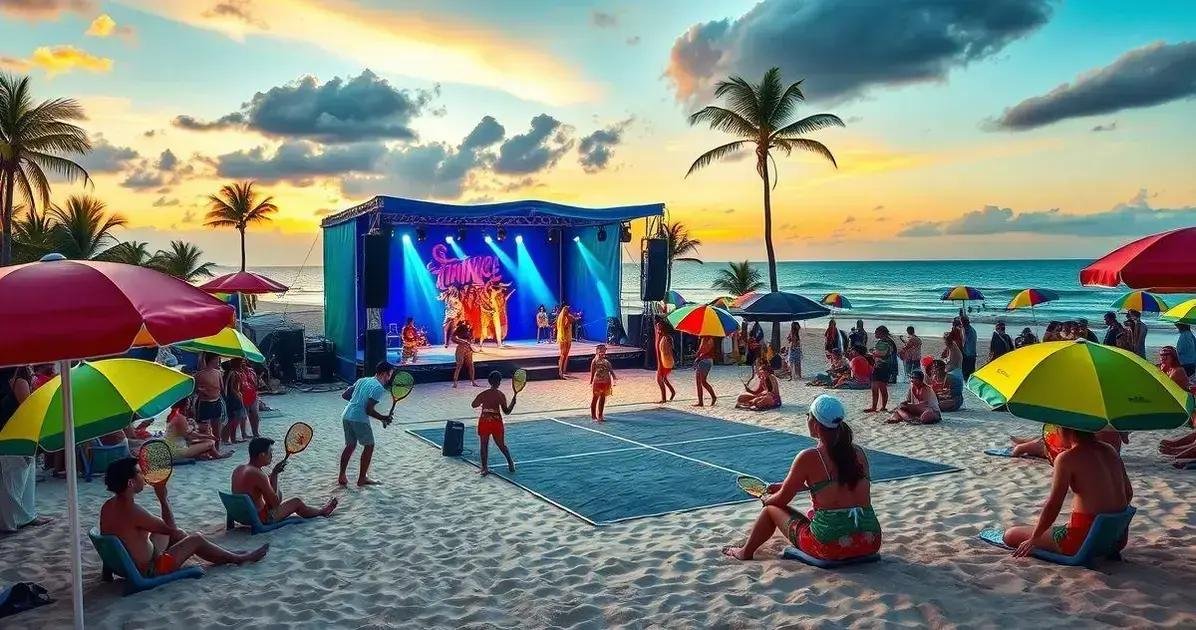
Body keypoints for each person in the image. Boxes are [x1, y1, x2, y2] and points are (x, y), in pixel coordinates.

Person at [722, 395, 881, 561]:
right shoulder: (858, 453)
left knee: (770, 511)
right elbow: (837, 485)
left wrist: (766, 498)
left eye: (808, 416)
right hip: (871, 541)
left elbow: (781, 500)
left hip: (830, 546)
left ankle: (745, 552)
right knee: (814, 513)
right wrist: (788, 486)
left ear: (815, 424)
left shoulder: (809, 457)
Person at [99, 458, 268, 576]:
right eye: (139, 473)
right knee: (195, 539)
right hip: (152, 569)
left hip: (125, 566)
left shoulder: (108, 505)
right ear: (130, 483)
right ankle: (238, 559)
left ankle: (222, 554)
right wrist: (163, 499)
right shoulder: (133, 510)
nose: (143, 476)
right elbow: (170, 529)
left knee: (180, 535)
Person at [1000, 427, 1131, 558]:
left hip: (1083, 542)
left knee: (1011, 534)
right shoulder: (1110, 450)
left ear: (1065, 430)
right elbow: (1128, 493)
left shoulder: (1067, 458)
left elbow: (1053, 505)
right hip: (1116, 539)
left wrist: (1034, 538)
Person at [231, 437, 337, 524]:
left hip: (240, 516)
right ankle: (322, 512)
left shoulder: (239, 469)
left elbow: (254, 490)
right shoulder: (259, 474)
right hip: (257, 518)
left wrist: (272, 475)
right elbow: (275, 504)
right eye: (270, 452)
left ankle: (320, 511)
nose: (272, 456)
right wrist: (275, 475)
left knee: (276, 490)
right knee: (296, 502)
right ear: (262, 455)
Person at [1, 367, 51, 535]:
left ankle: (26, 517)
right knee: (15, 480)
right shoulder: (21, 381)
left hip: (16, 432)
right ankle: (13, 521)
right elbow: (29, 408)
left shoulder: (17, 379)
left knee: (23, 478)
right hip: (15, 433)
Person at [337, 361, 395, 487]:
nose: (389, 378)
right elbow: (368, 410)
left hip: (346, 415)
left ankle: (342, 475)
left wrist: (357, 402)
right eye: (390, 375)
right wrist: (383, 418)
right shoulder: (379, 388)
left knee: (350, 446)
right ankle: (362, 478)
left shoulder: (362, 380)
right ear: (385, 374)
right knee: (369, 446)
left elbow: (345, 395)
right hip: (359, 418)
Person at [471, 370, 518, 476]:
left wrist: (482, 403)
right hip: (496, 421)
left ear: (489, 381)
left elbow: (473, 404)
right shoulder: (501, 395)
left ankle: (484, 468)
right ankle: (510, 463)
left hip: (484, 420)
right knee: (501, 445)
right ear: (499, 382)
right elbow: (507, 411)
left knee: (483, 445)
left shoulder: (484, 394)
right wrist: (513, 403)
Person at [194, 354, 224, 448]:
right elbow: (196, 390)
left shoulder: (217, 373)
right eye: (217, 360)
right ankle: (207, 449)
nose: (218, 362)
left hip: (214, 401)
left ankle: (216, 448)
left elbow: (221, 387)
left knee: (215, 427)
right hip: (206, 402)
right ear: (212, 360)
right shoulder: (199, 374)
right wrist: (204, 390)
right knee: (205, 428)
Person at [866, 327, 897, 412]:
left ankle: (879, 407)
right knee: (876, 386)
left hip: (883, 366)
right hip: (883, 366)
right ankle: (878, 406)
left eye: (876, 332)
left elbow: (884, 355)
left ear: (881, 333)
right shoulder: (889, 342)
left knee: (880, 386)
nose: (875, 334)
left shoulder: (885, 342)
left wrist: (873, 354)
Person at [223, 358, 249, 443]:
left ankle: (231, 438)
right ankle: (229, 438)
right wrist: (239, 397)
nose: (243, 364)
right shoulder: (233, 373)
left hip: (234, 397)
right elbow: (232, 388)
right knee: (234, 419)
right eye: (241, 362)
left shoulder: (236, 372)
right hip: (234, 398)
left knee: (234, 419)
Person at [589, 344, 617, 421]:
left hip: (606, 382)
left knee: (603, 398)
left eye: (604, 351)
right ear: (597, 351)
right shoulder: (594, 361)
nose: (602, 352)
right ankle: (593, 416)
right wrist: (591, 381)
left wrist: (614, 379)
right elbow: (592, 372)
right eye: (601, 351)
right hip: (597, 382)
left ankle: (600, 415)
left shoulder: (606, 362)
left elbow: (611, 371)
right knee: (595, 398)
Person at [655, 319, 676, 403]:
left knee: (659, 379)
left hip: (666, 361)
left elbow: (668, 351)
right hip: (666, 360)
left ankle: (664, 398)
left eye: (659, 328)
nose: (658, 330)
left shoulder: (667, 338)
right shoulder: (664, 337)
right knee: (664, 379)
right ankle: (672, 392)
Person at [693, 335, 718, 406]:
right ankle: (711, 397)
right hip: (706, 361)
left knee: (700, 382)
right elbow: (702, 350)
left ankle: (703, 401)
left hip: (704, 361)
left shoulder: (706, 339)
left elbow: (704, 351)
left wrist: (697, 356)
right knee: (702, 382)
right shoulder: (708, 338)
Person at [451, 321, 477, 388]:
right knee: (459, 365)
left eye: (469, 325)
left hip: (468, 349)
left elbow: (472, 340)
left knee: (471, 365)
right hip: (461, 348)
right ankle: (455, 383)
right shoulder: (460, 329)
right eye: (467, 325)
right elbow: (453, 338)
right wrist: (462, 341)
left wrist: (471, 343)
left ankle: (473, 382)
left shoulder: (470, 330)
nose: (469, 326)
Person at [239, 361, 262, 438]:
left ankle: (255, 432)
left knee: (255, 414)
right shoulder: (237, 372)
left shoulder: (251, 371)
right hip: (243, 394)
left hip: (252, 394)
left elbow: (255, 383)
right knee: (244, 416)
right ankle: (244, 433)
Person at [556, 303, 576, 378]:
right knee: (562, 354)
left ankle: (564, 370)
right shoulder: (561, 318)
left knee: (566, 354)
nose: (567, 310)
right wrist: (567, 318)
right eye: (566, 309)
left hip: (568, 338)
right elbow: (564, 326)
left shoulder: (568, 316)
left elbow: (573, 320)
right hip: (563, 338)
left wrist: (568, 316)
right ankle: (560, 370)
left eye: (568, 309)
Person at [960, 315, 977, 380]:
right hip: (972, 354)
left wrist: (962, 352)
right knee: (970, 373)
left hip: (968, 355)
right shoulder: (972, 329)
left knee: (966, 374)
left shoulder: (967, 331)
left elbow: (965, 344)